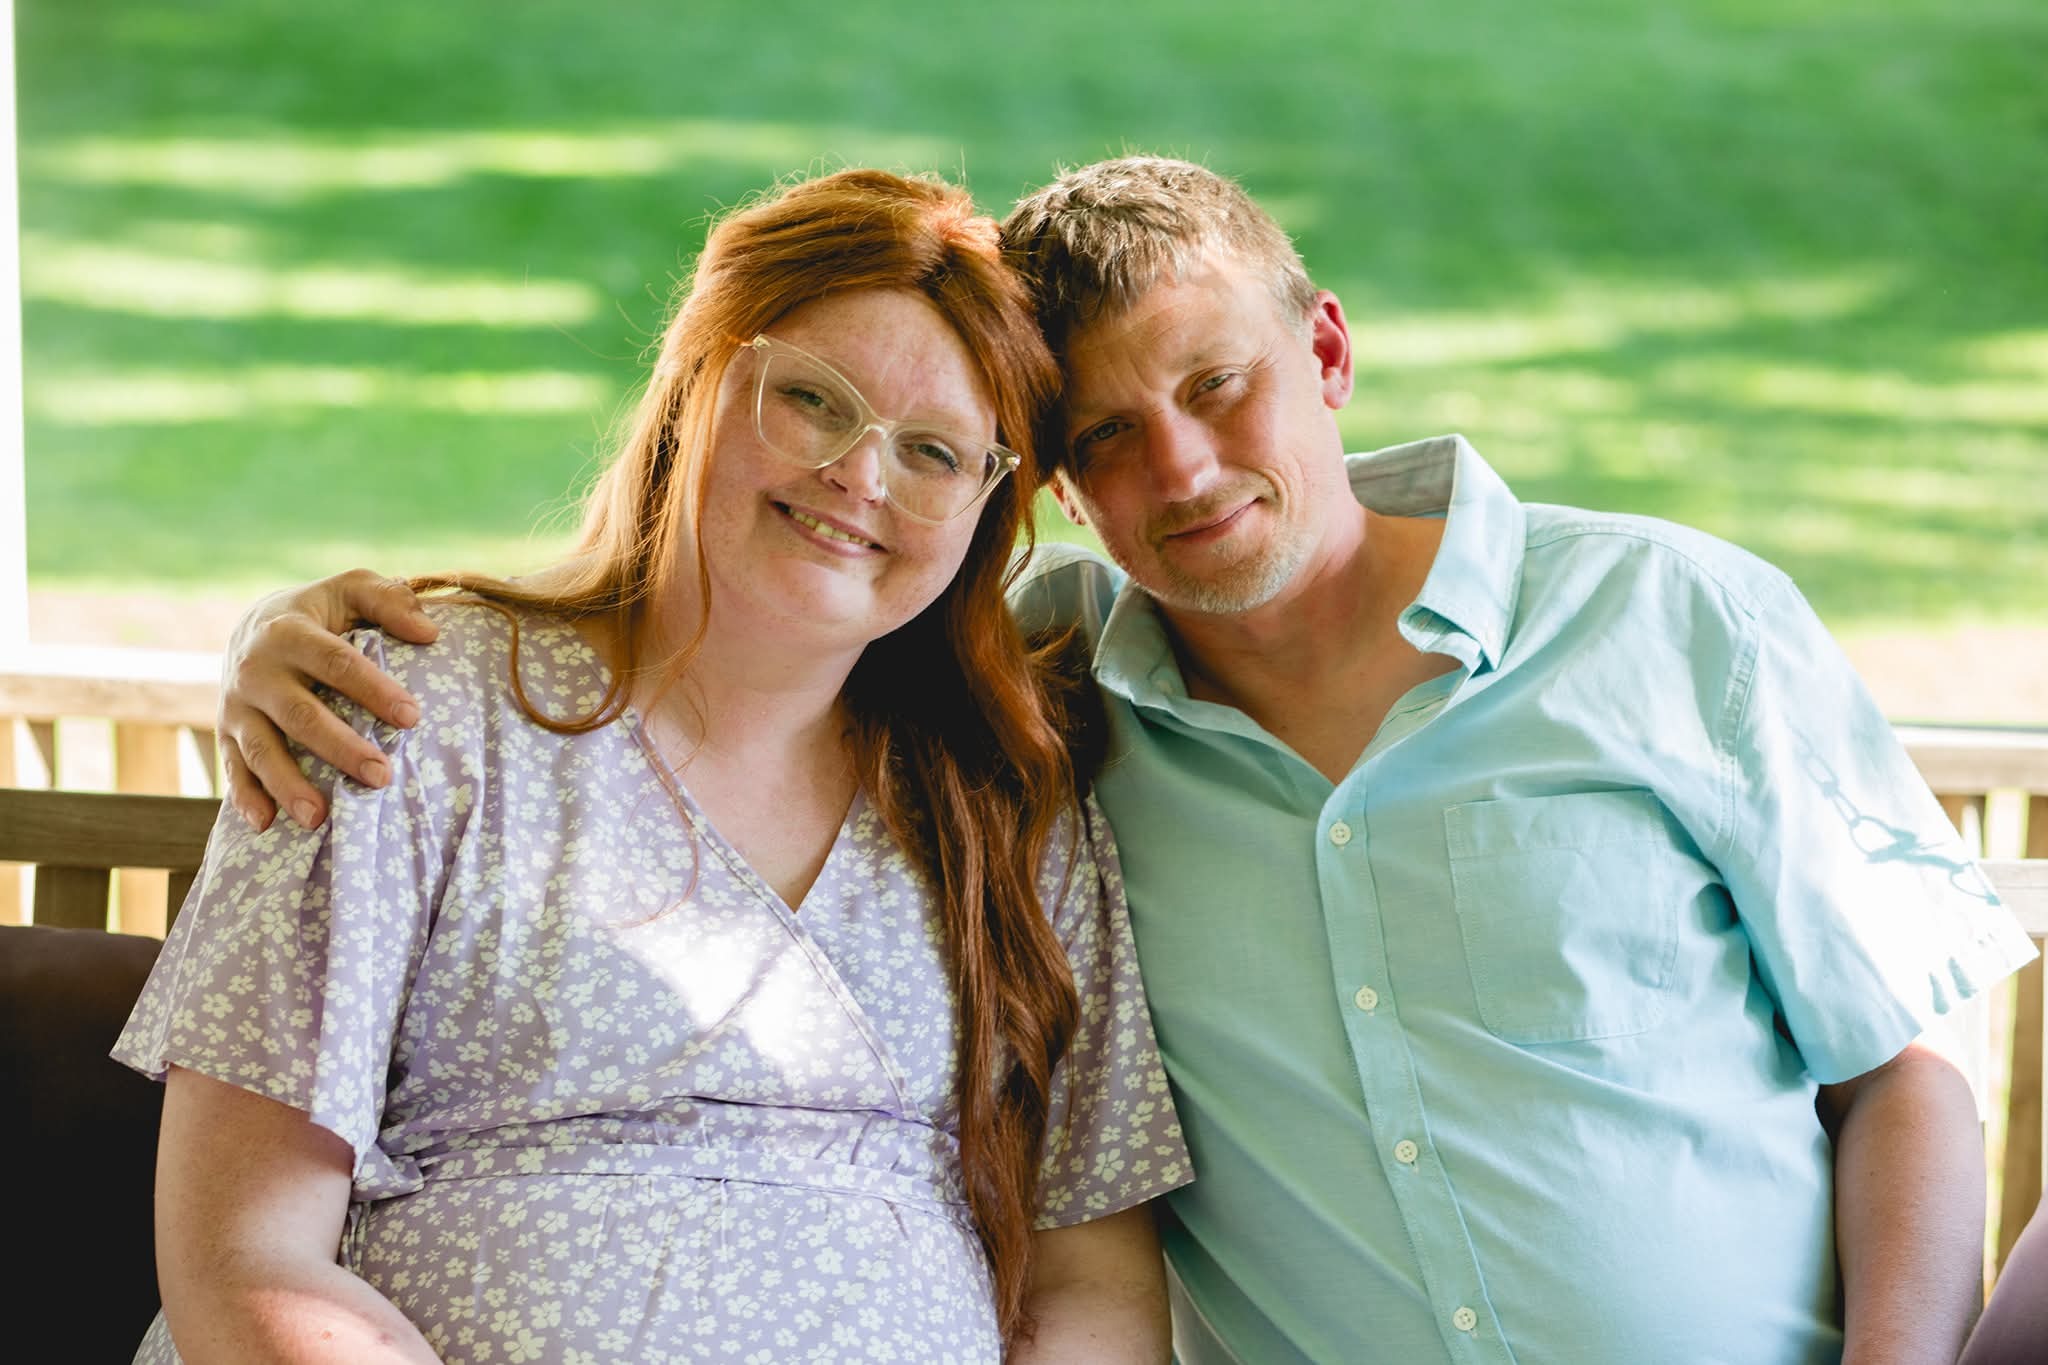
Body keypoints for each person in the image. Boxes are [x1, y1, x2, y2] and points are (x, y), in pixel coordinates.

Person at [216, 157, 2036, 1365]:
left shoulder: (1665, 623)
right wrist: (281, 642)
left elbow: (1903, 1067)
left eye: (1218, 385)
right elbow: (761, 606)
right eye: (1104, 437)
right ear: (1060, 491)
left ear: (1325, 352)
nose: (1181, 471)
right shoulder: (1045, 709)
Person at [114, 168, 1191, 1365]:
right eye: (812, 399)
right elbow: (248, 1259)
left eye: (934, 452)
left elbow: (1093, 1288)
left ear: (987, 510)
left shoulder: (1007, 803)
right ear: (695, 384)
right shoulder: (404, 714)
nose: (860, 474)